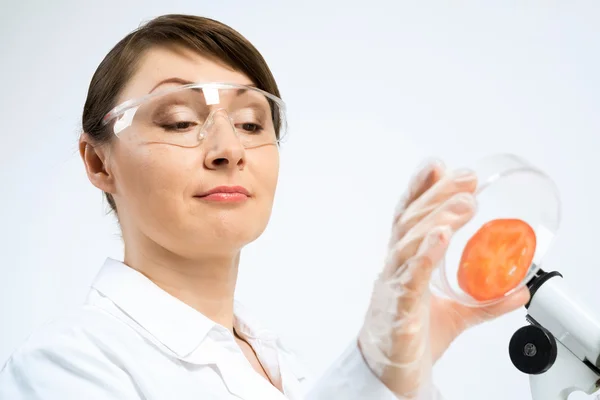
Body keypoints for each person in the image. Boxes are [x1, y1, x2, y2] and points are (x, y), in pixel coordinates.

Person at [0, 14, 530, 400]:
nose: (229, 149)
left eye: (253, 123)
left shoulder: (279, 367)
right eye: (181, 121)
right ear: (98, 163)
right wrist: (373, 370)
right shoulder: (66, 364)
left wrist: (405, 372)